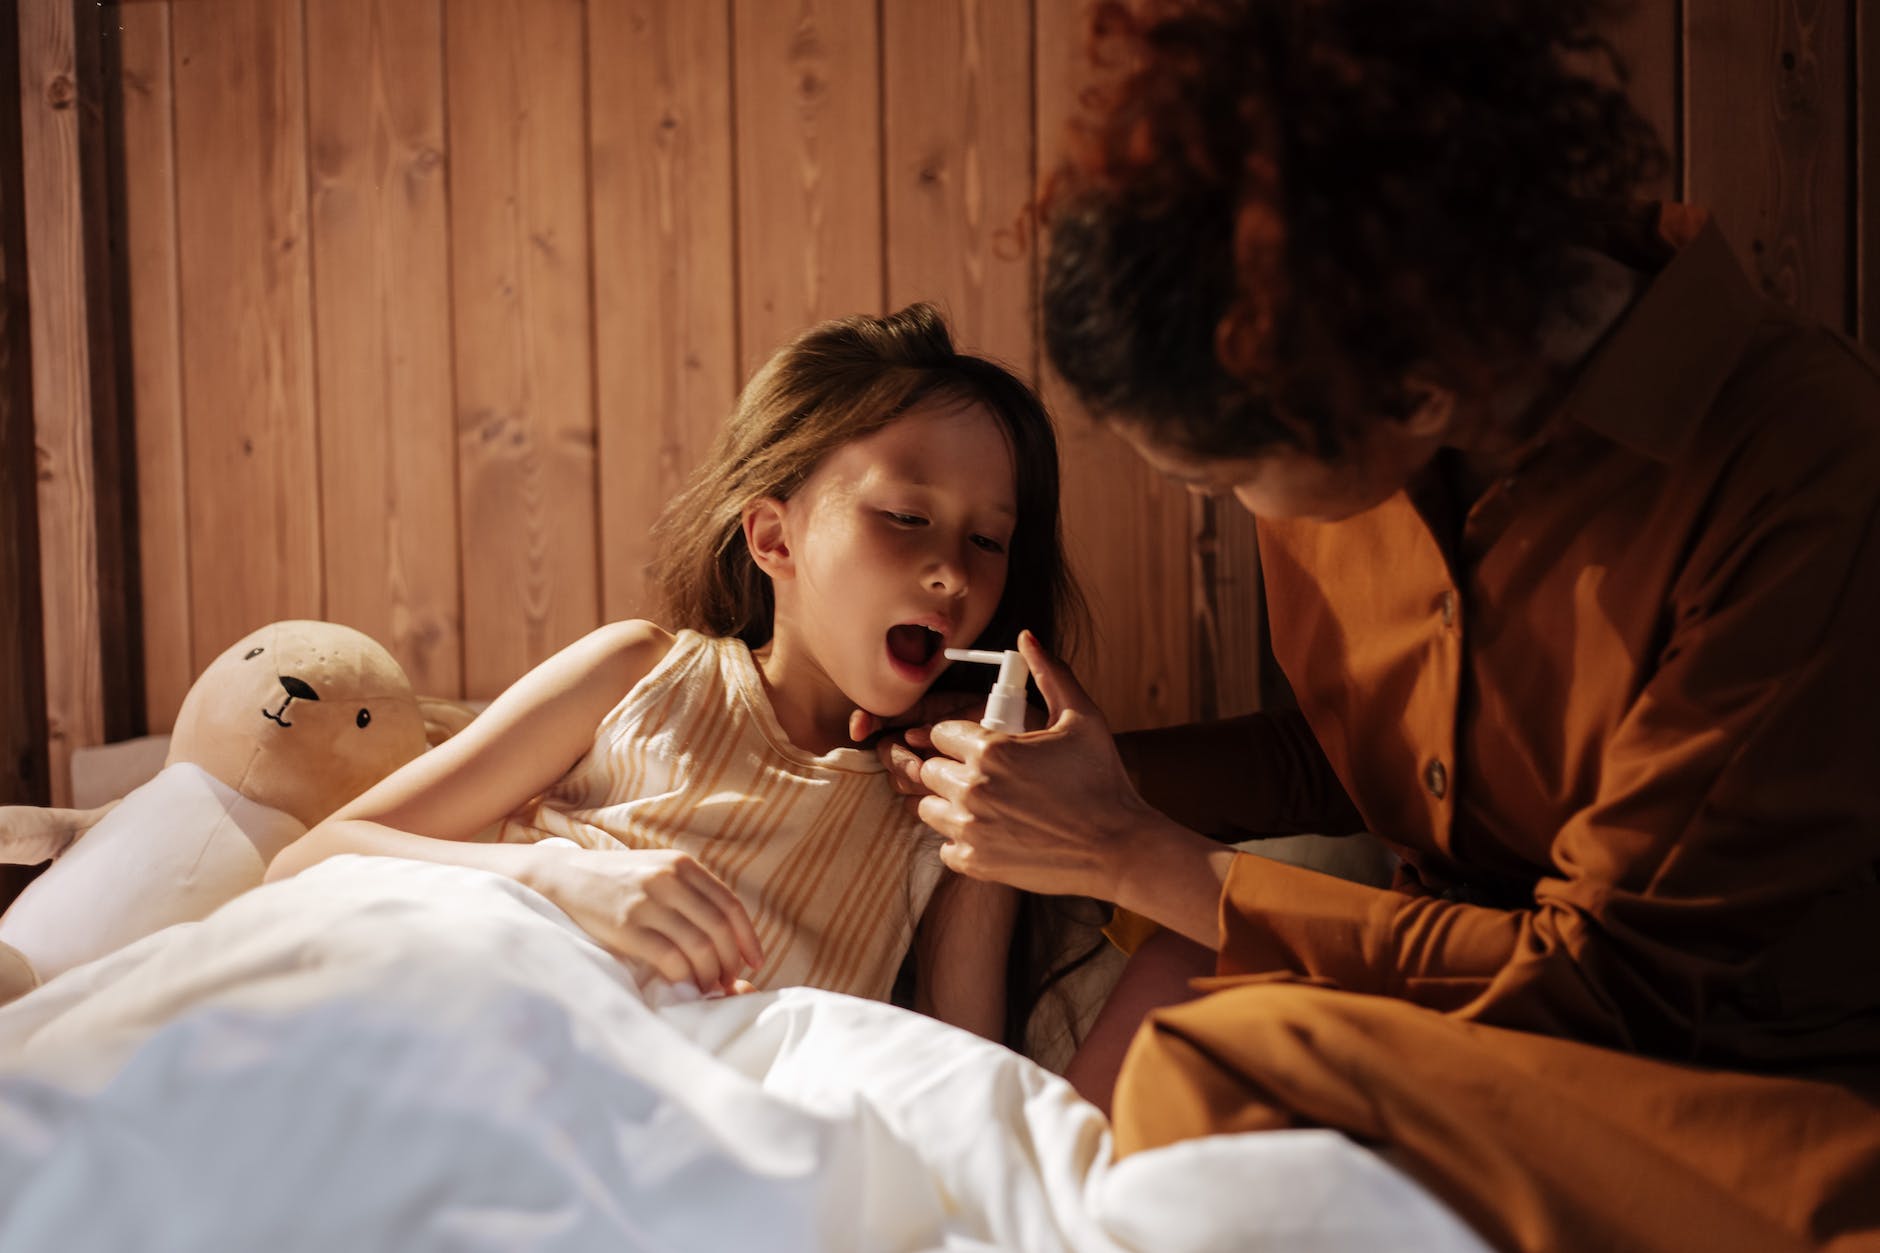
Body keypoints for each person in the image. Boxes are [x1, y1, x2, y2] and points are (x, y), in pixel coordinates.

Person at [874, 2, 1880, 1249]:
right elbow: (1355, 749)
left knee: (1217, 1056)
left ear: (1413, 394)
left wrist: (1129, 852)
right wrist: (1083, 779)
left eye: (1224, 476)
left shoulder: (1794, 463)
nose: (1225, 506)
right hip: (1422, 1015)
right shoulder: (1323, 350)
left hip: (1707, 1082)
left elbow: (1601, 987)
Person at [268, 304, 1084, 1043]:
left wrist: (992, 823)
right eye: (906, 517)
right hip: (489, 1014)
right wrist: (563, 876)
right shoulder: (639, 673)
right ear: (773, 539)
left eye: (988, 541)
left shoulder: (942, 814)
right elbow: (311, 861)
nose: (953, 572)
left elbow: (964, 1073)